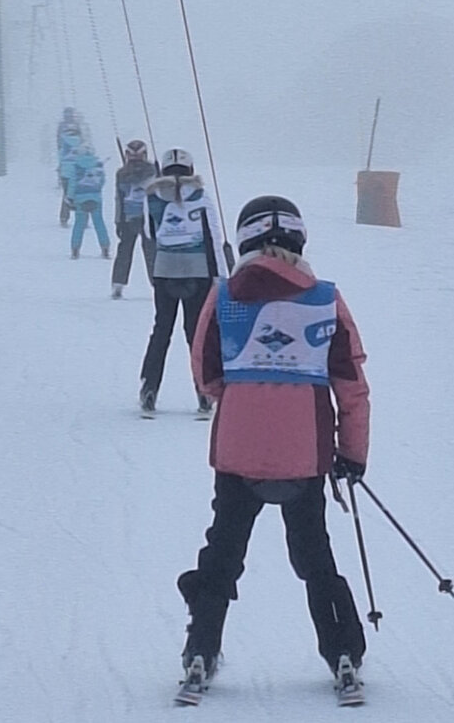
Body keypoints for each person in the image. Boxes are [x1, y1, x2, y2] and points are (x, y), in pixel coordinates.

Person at [175, 196, 369, 702]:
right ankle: (343, 652)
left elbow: (205, 372)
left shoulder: (224, 296)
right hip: (305, 455)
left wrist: (244, 395)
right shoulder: (326, 298)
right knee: (314, 555)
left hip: (237, 452)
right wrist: (352, 454)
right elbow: (351, 386)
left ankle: (200, 649)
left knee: (223, 551)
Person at [139, 148, 229, 414]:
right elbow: (213, 236)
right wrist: (221, 277)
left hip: (165, 270)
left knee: (161, 330)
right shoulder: (201, 196)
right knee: (196, 332)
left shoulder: (151, 196)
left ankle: (149, 387)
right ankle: (204, 390)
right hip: (198, 271)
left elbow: (150, 233)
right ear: (191, 170)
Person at [111, 139, 156, 298]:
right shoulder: (122, 174)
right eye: (132, 155)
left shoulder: (153, 171)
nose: (135, 159)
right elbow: (119, 198)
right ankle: (118, 284)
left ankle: (156, 283)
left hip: (149, 217)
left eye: (138, 155)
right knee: (125, 250)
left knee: (151, 251)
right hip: (129, 217)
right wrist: (118, 220)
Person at [64, 144, 111, 260]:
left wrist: (70, 197)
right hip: (96, 198)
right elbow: (102, 181)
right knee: (99, 223)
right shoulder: (98, 165)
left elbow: (72, 183)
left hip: (80, 199)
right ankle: (105, 247)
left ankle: (75, 249)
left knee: (79, 224)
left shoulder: (76, 166)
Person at [56, 110, 84, 227]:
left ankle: (64, 217)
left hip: (65, 173)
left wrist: (61, 168)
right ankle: (82, 218)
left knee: (66, 195)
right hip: (78, 172)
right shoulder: (81, 144)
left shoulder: (64, 144)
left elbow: (60, 156)